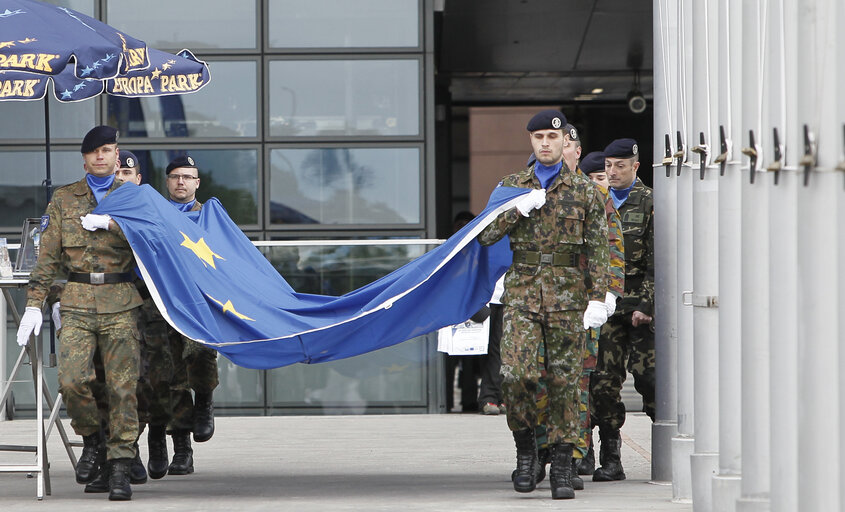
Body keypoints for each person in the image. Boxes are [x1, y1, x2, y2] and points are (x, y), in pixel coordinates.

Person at [478, 109, 612, 500]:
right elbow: (484, 234)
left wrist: (598, 298)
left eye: (552, 138)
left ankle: (562, 464)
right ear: (531, 142)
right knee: (515, 375)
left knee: (565, 383)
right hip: (522, 295)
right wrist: (515, 210)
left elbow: (599, 249)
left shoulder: (585, 191)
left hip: (569, 298)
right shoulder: (512, 185)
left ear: (562, 141)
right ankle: (526, 450)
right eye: (538, 138)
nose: (545, 144)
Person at [16, 126, 142, 501]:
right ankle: (93, 441)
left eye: (108, 150)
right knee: (72, 381)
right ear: (84, 158)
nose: (101, 157)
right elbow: (48, 256)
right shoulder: (65, 198)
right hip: (76, 300)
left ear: (117, 156)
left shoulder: (133, 196)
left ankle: (119, 465)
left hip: (121, 299)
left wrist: (113, 223)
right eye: (94, 152)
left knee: (123, 388)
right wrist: (34, 305)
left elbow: (154, 242)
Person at [589, 138, 655, 482]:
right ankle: (611, 458)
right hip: (606, 307)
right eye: (609, 166)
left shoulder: (648, 202)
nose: (612, 172)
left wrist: (646, 304)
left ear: (635, 167)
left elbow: (658, 260)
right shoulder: (595, 201)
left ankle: (665, 453)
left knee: (650, 380)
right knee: (603, 384)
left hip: (639, 309)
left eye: (620, 166)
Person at [163, 155, 219, 475]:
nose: (181, 182)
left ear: (197, 182)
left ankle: (205, 402)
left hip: (199, 303)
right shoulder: (155, 214)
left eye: (187, 177)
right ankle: (181, 449)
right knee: (172, 376)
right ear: (167, 181)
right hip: (164, 304)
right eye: (175, 176)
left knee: (200, 355)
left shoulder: (210, 216)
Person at [444, 211, 483, 413]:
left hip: (472, 310)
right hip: (449, 311)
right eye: (460, 224)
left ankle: (469, 402)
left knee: (469, 357)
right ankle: (446, 401)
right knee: (448, 359)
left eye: (467, 224)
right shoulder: (447, 250)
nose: (463, 228)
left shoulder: (481, 251)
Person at [477, 275, 505, 415]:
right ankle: (488, 397)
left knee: (500, 348)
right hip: (484, 295)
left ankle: (496, 396)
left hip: (509, 296)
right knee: (480, 348)